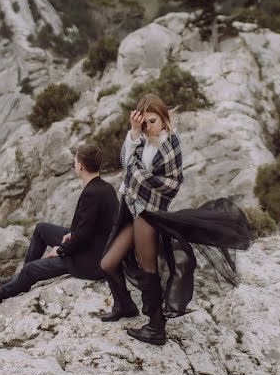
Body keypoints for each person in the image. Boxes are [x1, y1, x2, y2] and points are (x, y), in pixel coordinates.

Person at [100, 94, 253, 346]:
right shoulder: (141, 139)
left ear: (164, 118)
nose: (150, 126)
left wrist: (136, 174)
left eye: (154, 120)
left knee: (149, 269)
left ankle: (156, 327)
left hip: (149, 212)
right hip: (130, 207)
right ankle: (124, 306)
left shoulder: (170, 143)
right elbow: (124, 161)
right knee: (108, 263)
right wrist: (134, 131)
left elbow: (172, 183)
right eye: (145, 121)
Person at [0, 143, 119, 307]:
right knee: (41, 229)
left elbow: (84, 236)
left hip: (90, 261)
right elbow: (91, 228)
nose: (75, 164)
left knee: (32, 269)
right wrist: (72, 235)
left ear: (80, 166)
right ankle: (21, 280)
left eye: (75, 161)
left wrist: (61, 249)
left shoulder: (91, 194)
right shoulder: (106, 187)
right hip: (96, 247)